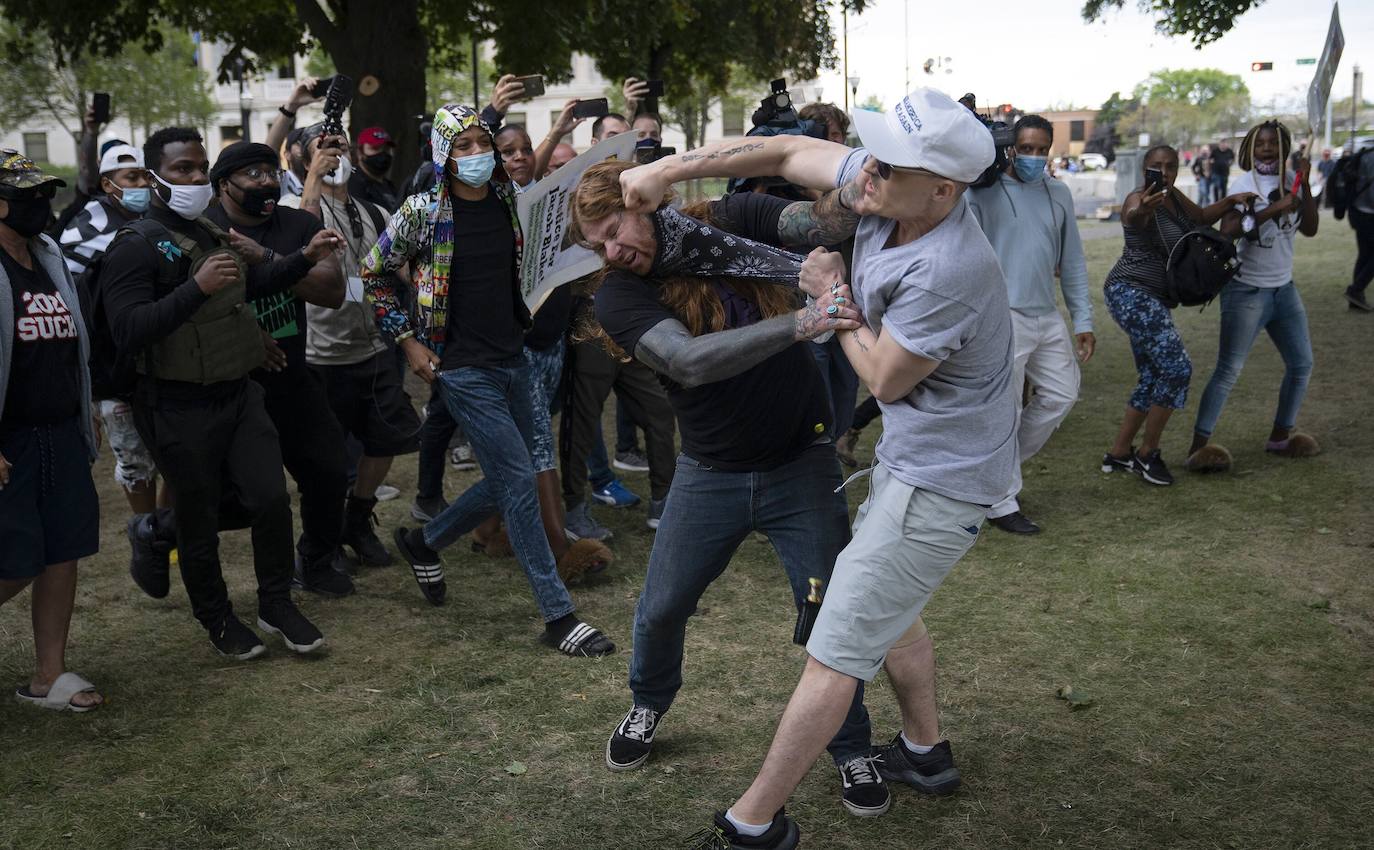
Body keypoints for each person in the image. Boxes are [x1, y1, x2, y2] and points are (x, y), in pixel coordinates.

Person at [618, 88, 1018, 848]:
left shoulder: (948, 268)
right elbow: (780, 153)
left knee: (834, 650)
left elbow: (884, 380)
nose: (865, 176)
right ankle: (926, 754)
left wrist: (830, 297)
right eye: (870, 155)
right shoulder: (890, 184)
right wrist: (670, 170)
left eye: (886, 168)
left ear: (943, 189)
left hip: (942, 479)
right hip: (918, 458)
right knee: (890, 609)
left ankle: (753, 822)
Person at [571, 157, 894, 818]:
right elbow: (689, 364)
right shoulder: (618, 294)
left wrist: (859, 190)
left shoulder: (728, 222)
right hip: (710, 473)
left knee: (831, 617)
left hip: (801, 462)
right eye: (598, 244)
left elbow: (814, 221)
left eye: (613, 229)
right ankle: (647, 703)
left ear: (641, 199)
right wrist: (806, 321)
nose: (612, 250)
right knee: (662, 607)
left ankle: (852, 745)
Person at [362, 103, 616, 658]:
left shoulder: (511, 204)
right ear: (443, 153)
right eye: (464, 145)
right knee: (521, 482)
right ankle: (558, 615)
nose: (477, 154)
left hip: (515, 357)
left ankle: (424, 542)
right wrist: (407, 341)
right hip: (460, 368)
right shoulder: (422, 213)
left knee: (514, 476)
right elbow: (373, 273)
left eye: (484, 143)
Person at [100, 127, 336, 658]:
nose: (194, 177)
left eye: (199, 166)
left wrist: (302, 258)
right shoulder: (134, 248)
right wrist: (194, 287)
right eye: (182, 169)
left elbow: (246, 287)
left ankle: (276, 602)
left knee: (271, 499)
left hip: (238, 393)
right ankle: (217, 617)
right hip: (175, 401)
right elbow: (129, 330)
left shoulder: (209, 230)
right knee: (198, 517)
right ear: (154, 177)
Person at [205, 142, 358, 596]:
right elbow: (197, 303)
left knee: (329, 470)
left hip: (291, 375)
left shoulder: (298, 224)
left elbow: (331, 291)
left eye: (270, 172)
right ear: (222, 185)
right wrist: (249, 336)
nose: (265, 182)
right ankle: (157, 533)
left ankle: (315, 560)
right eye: (252, 174)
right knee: (238, 496)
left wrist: (268, 257)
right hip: (227, 383)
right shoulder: (206, 229)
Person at [284, 126, 424, 559]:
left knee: (387, 440)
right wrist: (312, 180)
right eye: (324, 149)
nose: (336, 153)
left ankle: (357, 519)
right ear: (306, 161)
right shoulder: (294, 209)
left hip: (371, 348)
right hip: (318, 356)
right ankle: (320, 545)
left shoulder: (375, 212)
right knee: (323, 462)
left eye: (341, 146)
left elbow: (399, 270)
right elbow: (301, 242)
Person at [1, 151, 103, 712]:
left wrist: (81, 405)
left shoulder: (48, 255)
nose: (40, 204)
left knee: (63, 549)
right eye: (26, 195)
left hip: (58, 429)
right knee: (14, 561)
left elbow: (68, 340)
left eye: (43, 193)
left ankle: (47, 676)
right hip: (9, 437)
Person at [1099, 145, 1254, 486]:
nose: (1165, 172)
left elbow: (1199, 218)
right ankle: (1147, 453)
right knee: (1176, 368)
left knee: (1154, 374)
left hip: (1152, 297)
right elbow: (1132, 216)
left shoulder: (1174, 196)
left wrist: (1229, 203)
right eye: (1157, 166)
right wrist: (1141, 209)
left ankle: (1120, 453)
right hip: (1131, 292)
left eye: (1170, 166)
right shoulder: (1139, 198)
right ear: (1145, 169)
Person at [968, 114, 1094, 534]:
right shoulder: (981, 195)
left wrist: (1083, 321)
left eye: (1042, 149)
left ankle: (992, 476)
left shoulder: (1059, 193)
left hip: (1046, 314)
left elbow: (1072, 261)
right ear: (1010, 148)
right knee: (1007, 408)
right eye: (1026, 149)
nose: (1034, 157)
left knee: (1063, 394)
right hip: (1002, 316)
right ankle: (1001, 501)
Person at [1186, 120, 1319, 473]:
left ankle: (1279, 438)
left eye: (1273, 144)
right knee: (1229, 369)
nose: (1266, 150)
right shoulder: (1244, 184)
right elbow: (1231, 231)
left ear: (1285, 148)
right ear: (1249, 148)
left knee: (1302, 364)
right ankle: (1198, 447)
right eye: (1260, 144)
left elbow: (1310, 228)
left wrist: (1303, 188)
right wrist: (1275, 208)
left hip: (1284, 289)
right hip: (1246, 290)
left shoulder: (1293, 181)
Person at [1342, 142, 1374, 311]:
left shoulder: (1365, 153)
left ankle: (1356, 300)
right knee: (1367, 255)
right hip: (1369, 212)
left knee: (1365, 254)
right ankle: (1356, 290)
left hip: (1357, 210)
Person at [349, 126, 399, 212]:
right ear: (360, 152)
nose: (382, 154)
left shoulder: (390, 187)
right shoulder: (353, 184)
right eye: (375, 148)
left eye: (386, 149)